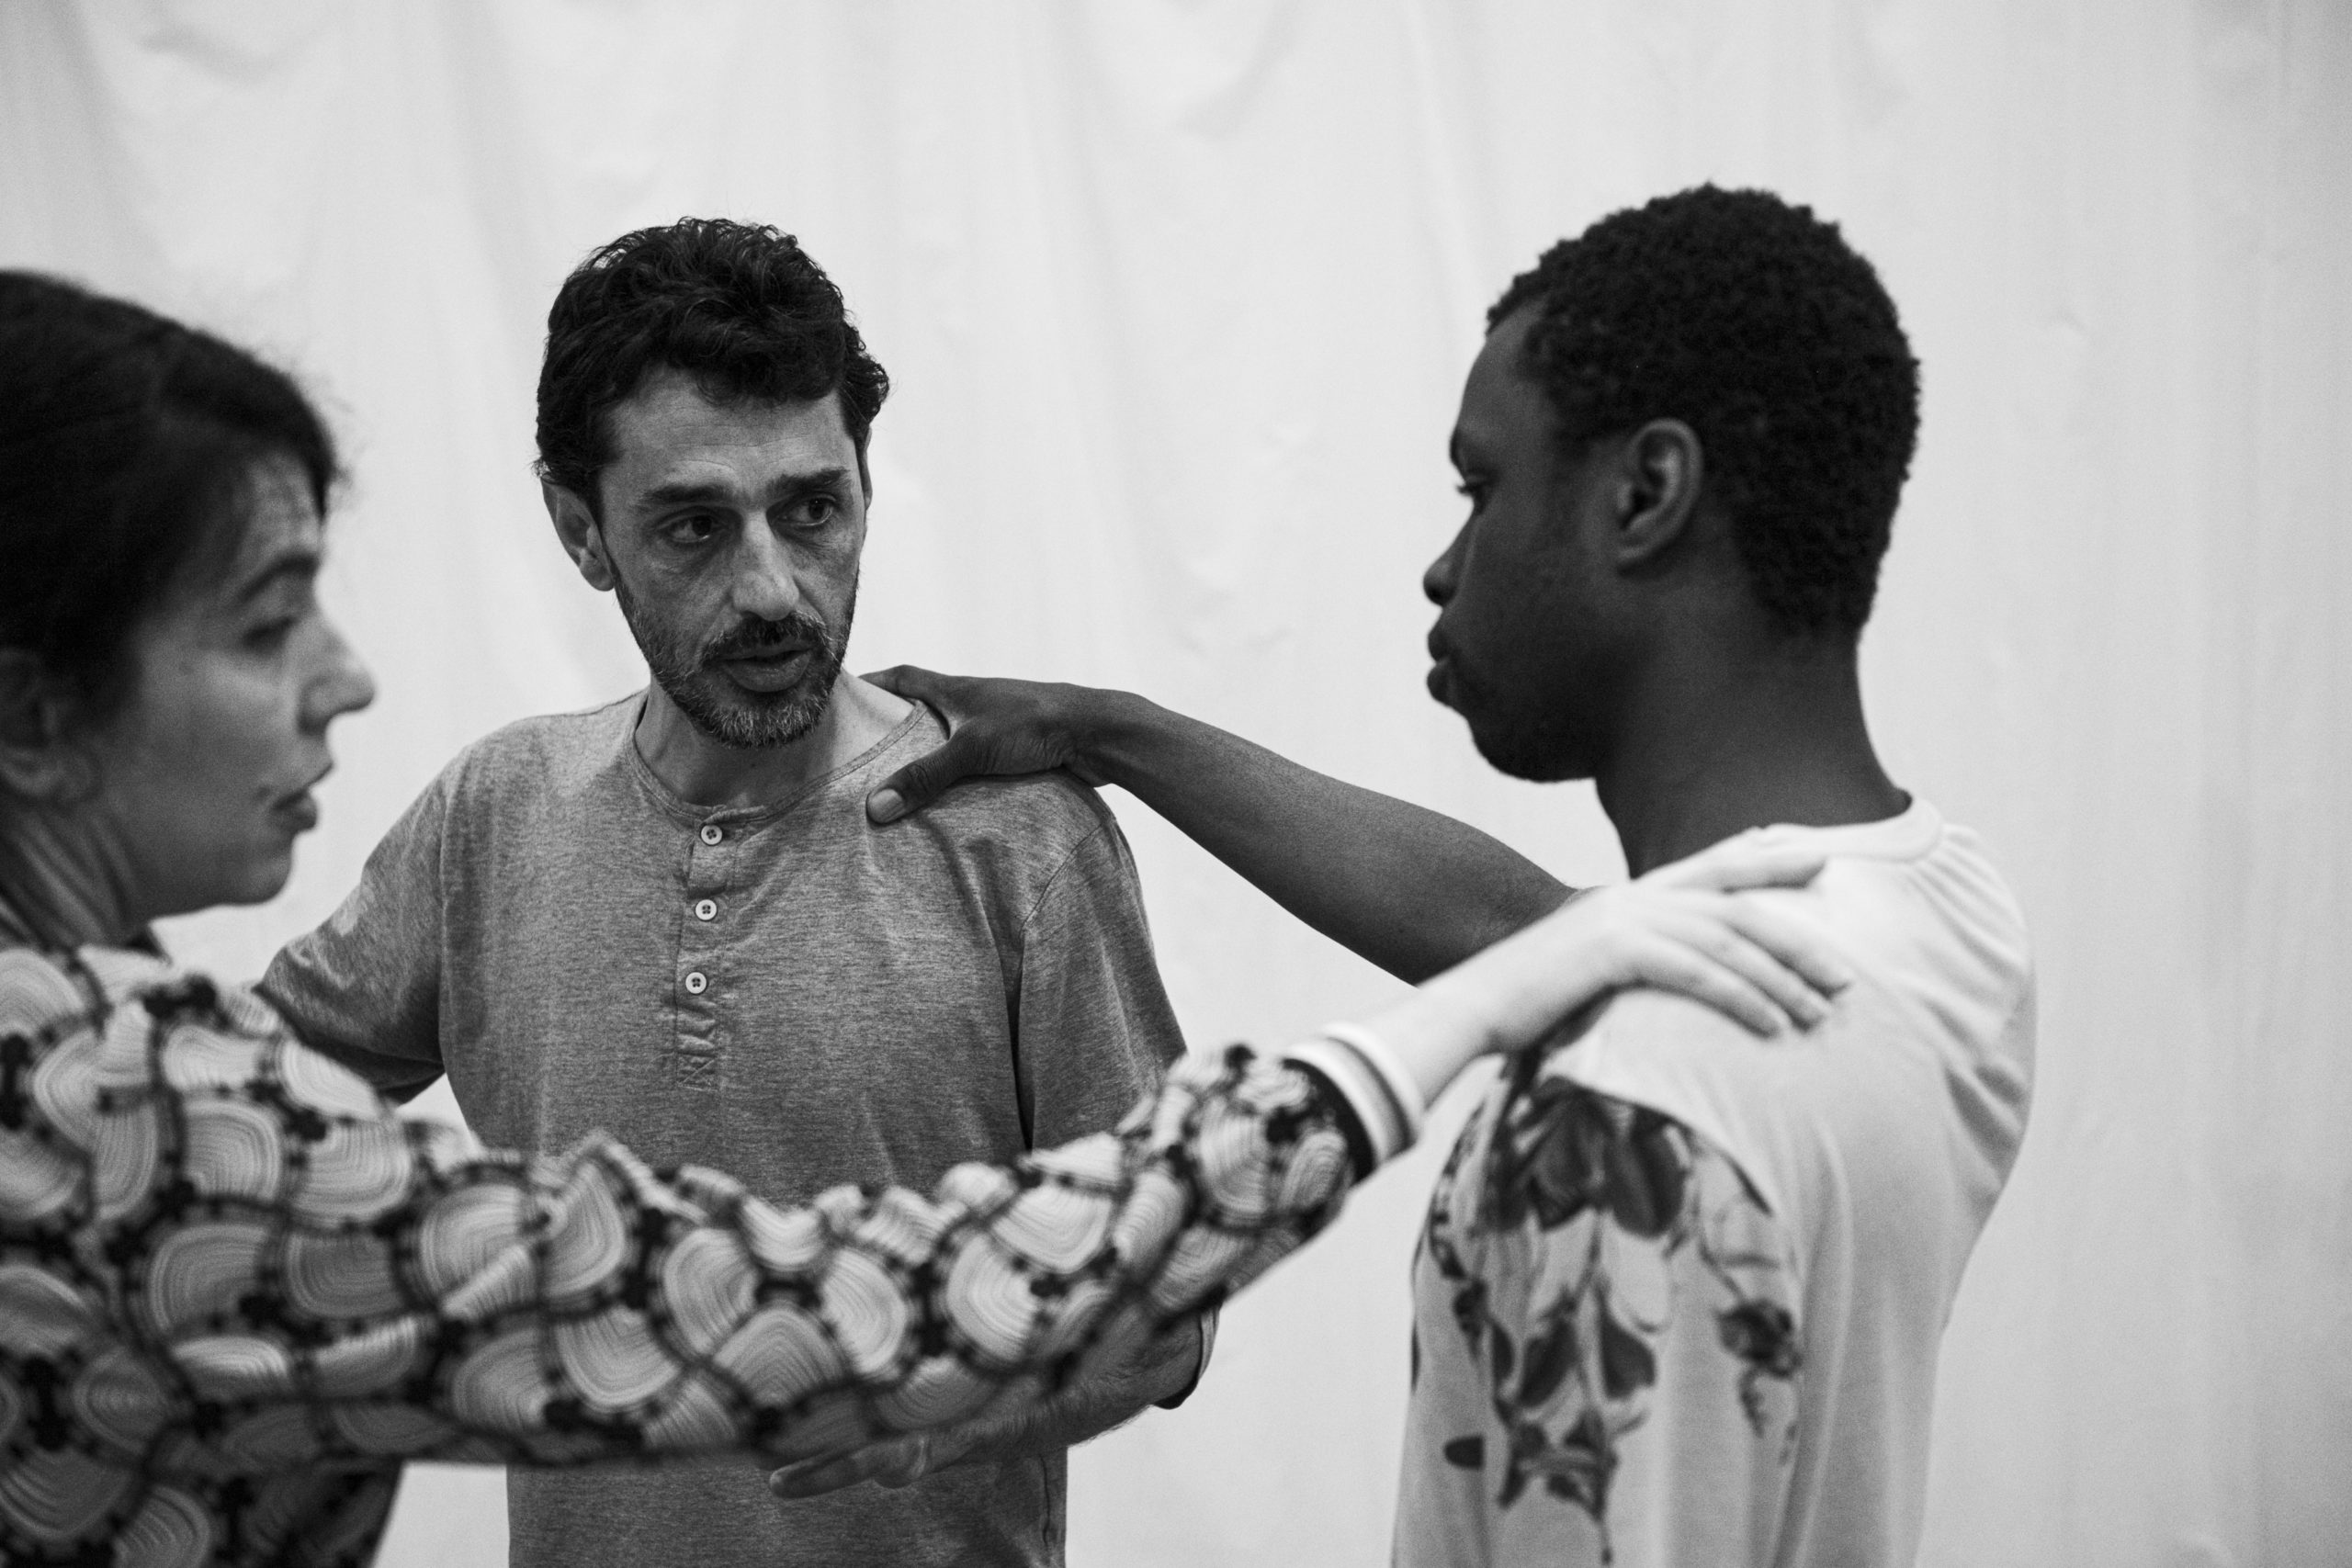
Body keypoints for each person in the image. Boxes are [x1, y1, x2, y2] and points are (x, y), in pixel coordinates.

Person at [0, 272, 1850, 1565]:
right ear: (581, 526)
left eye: (814, 510)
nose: (773, 587)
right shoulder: (219, 1051)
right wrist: (1467, 1008)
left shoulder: (1012, 829)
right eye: (691, 527)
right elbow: (726, 1302)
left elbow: (1146, 1314)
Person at [826, 186, 2038, 1566]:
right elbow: (1530, 934)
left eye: (1483, 488)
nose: (1443, 567)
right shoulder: (1933, 920)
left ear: (1647, 494)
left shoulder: (1612, 1127)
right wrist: (1111, 732)